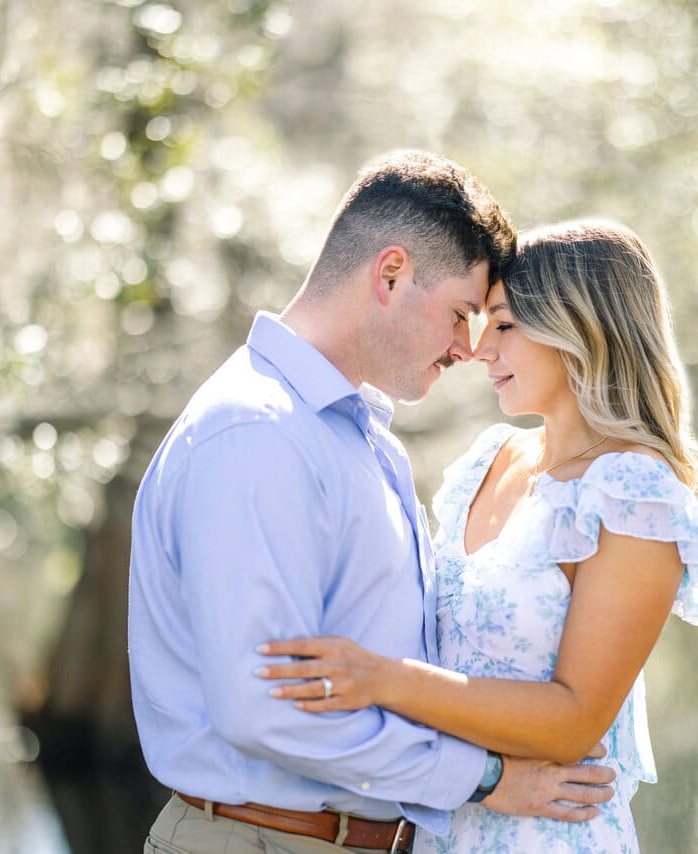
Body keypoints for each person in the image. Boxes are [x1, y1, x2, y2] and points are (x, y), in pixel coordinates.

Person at [127, 152, 617, 854]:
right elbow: (264, 708)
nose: (466, 348)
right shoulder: (257, 434)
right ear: (389, 274)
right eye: (459, 313)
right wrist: (482, 778)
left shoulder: (356, 437)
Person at [257, 220, 698, 852]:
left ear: (581, 328)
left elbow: (573, 721)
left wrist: (378, 679)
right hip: (443, 823)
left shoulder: (632, 494)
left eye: (505, 325)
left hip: (551, 836)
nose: (480, 349)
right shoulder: (491, 458)